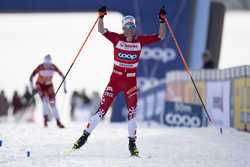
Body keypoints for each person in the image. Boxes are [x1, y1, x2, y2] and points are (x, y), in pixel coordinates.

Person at [72, 6, 166, 156]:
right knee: (101, 111)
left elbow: (161, 36)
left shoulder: (140, 41)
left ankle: (132, 145)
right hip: (115, 82)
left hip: (130, 84)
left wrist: (162, 20)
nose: (130, 29)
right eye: (127, 26)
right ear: (123, 27)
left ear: (134, 28)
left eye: (132, 27)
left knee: (132, 114)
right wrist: (101, 17)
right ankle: (84, 137)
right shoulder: (117, 38)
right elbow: (101, 31)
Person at [30, 54, 67, 128]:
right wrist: (33, 89)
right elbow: (31, 77)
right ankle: (45, 119)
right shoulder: (40, 67)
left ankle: (58, 121)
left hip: (49, 85)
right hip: (40, 86)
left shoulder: (53, 67)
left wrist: (64, 87)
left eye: (48, 64)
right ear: (44, 63)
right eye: (46, 64)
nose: (47, 66)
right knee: (45, 101)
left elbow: (63, 76)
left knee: (53, 103)